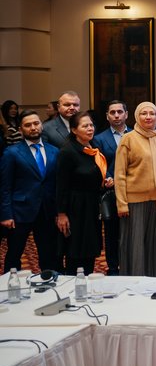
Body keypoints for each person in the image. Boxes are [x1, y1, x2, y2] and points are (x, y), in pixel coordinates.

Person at [115, 102, 156, 277]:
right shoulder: (128, 139)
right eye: (144, 113)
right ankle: (136, 280)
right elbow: (119, 174)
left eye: (152, 113)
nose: (148, 117)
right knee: (137, 245)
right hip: (135, 203)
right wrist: (121, 203)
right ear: (137, 116)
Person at [0, 110, 60, 272]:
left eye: (36, 123)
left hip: (47, 211)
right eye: (28, 125)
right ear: (21, 130)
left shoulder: (54, 151)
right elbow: (5, 187)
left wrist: (59, 211)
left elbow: (56, 184)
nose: (33, 128)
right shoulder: (11, 153)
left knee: (48, 253)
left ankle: (48, 282)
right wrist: (6, 214)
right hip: (20, 211)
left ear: (41, 125)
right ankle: (11, 283)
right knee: (14, 253)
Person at [55, 112, 111, 275]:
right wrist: (61, 214)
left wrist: (106, 180)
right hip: (75, 207)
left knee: (89, 249)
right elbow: (61, 185)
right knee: (76, 250)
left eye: (91, 125)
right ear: (74, 130)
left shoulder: (93, 148)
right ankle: (74, 282)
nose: (90, 129)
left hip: (92, 206)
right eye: (85, 126)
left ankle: (87, 281)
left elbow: (94, 174)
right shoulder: (67, 151)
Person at [93, 100, 130, 275]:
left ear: (126, 114)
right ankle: (113, 267)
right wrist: (109, 178)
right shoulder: (99, 139)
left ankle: (130, 265)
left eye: (120, 112)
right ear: (107, 116)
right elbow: (99, 163)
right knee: (112, 232)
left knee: (131, 231)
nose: (116, 115)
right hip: (111, 191)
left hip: (133, 191)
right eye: (112, 112)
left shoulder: (136, 134)